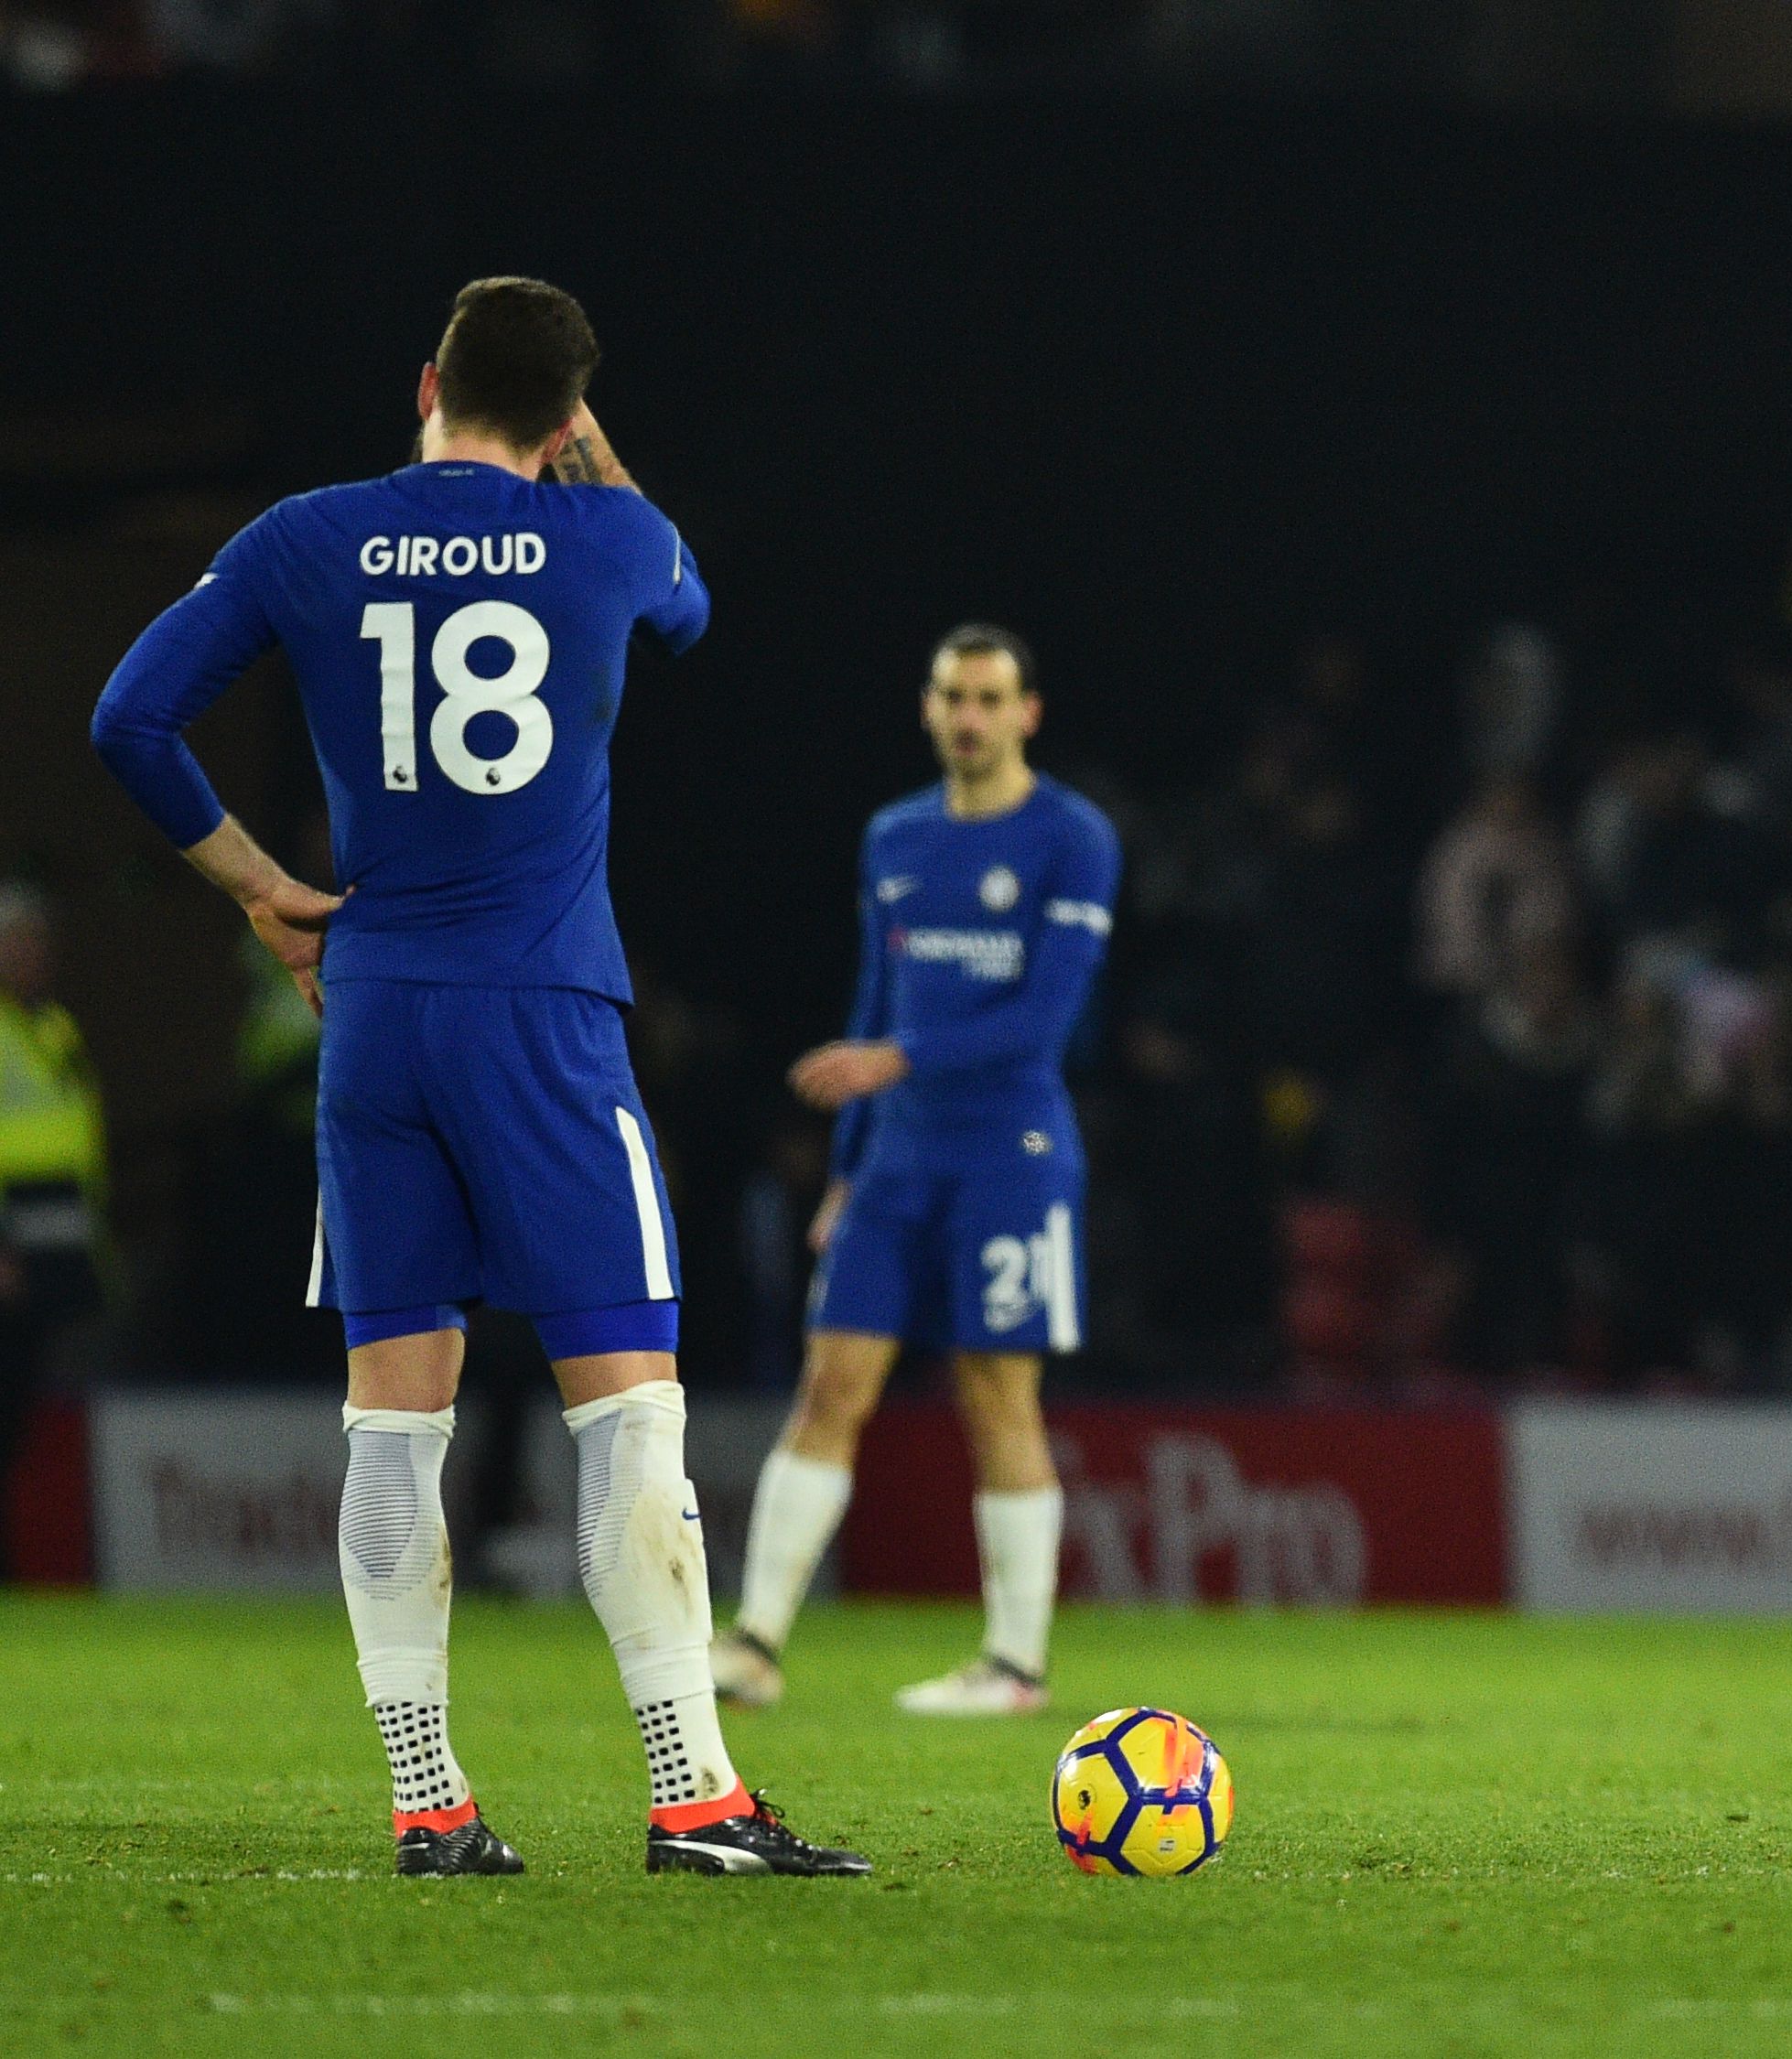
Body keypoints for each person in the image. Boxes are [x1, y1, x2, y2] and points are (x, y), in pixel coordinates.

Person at [88, 277, 865, 1879]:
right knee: (629, 1411)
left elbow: (130, 718)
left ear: (424, 381)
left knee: (394, 1424)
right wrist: (598, 456)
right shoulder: (609, 539)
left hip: (373, 1014)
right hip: (542, 1017)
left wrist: (254, 885)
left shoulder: (308, 533)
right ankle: (693, 1796)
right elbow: (692, 605)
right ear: (570, 414)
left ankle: (431, 1804)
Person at [711, 623, 1117, 1717]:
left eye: (989, 697)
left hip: (1011, 1156)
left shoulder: (1073, 838)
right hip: (895, 1160)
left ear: (1027, 712)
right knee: (830, 1384)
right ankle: (754, 1644)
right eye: (952, 697)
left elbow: (1041, 1022)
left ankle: (1016, 1664)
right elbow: (871, 1006)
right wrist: (845, 1167)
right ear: (929, 709)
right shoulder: (894, 838)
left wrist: (891, 1062)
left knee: (997, 1392)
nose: (969, 717)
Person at [0, 886, 106, 1572]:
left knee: (19, 1419)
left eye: (40, 939)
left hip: (54, 1255)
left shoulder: (56, 1029)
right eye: (18, 940)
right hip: (10, 1252)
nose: (33, 953)